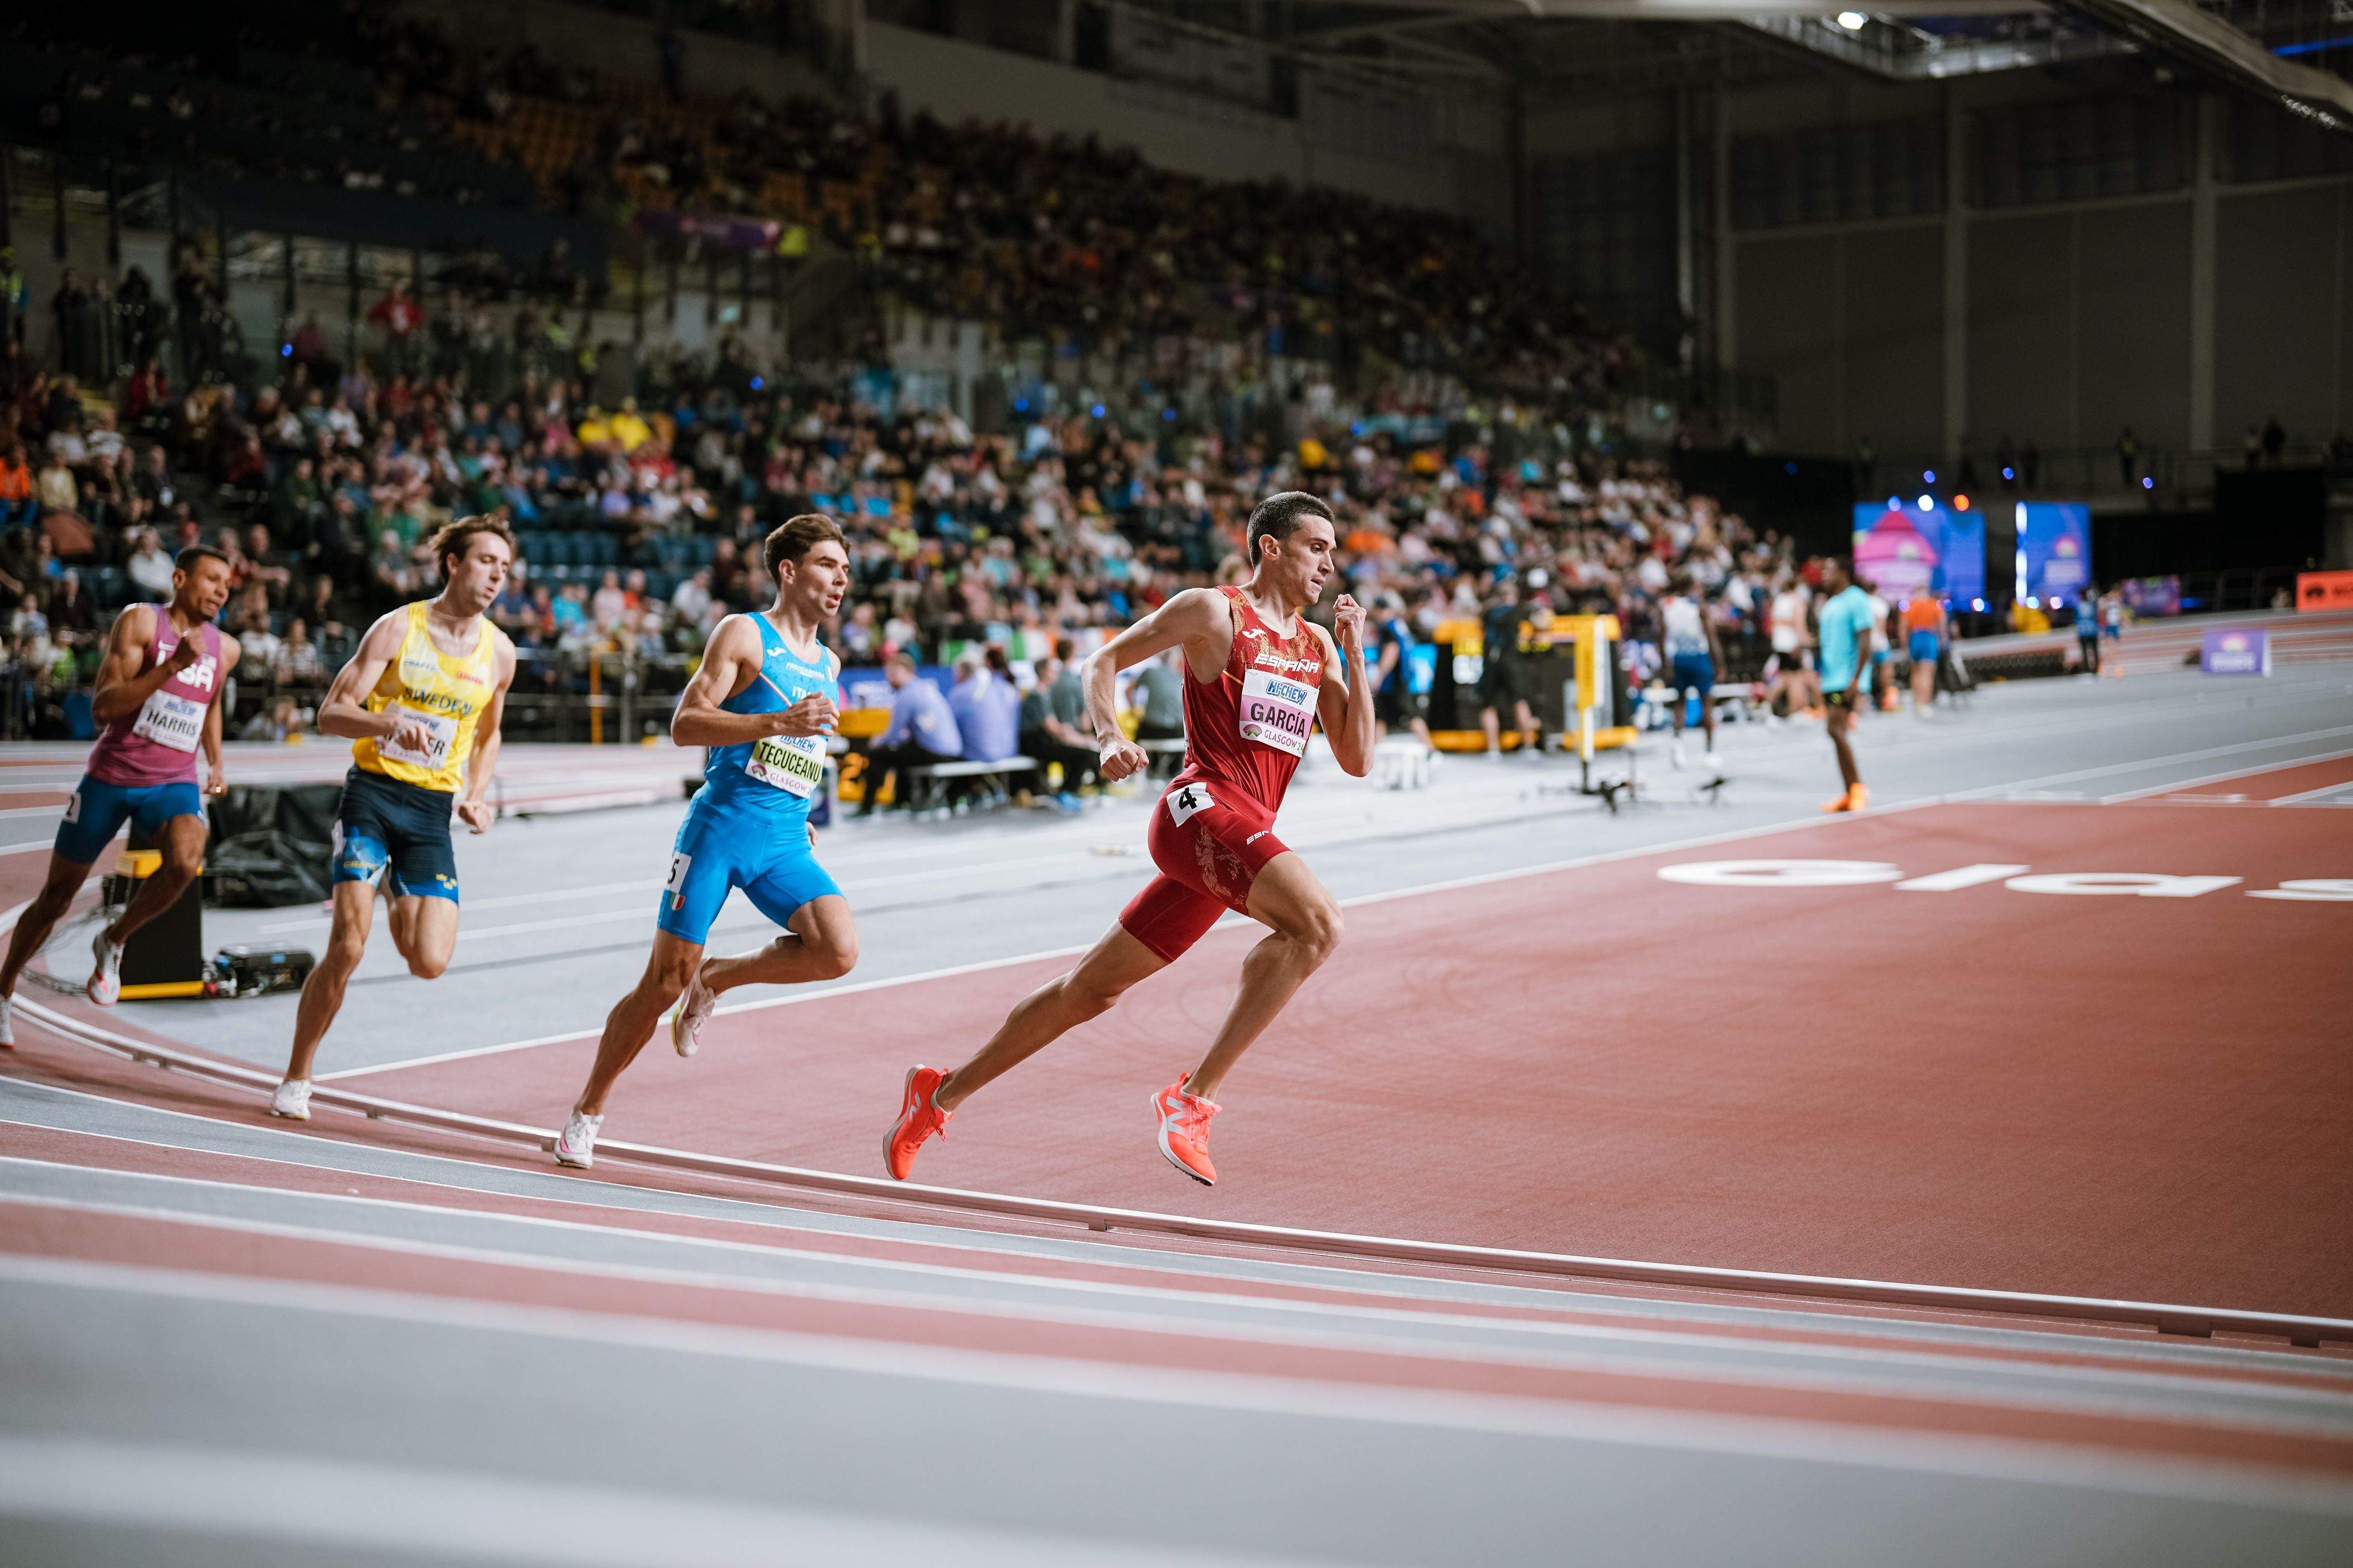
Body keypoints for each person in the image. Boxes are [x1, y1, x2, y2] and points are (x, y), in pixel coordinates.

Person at [884, 492, 1374, 1188]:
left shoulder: (1316, 644)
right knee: (1318, 926)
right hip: (1198, 811)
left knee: (1087, 991)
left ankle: (937, 1096)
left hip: (1236, 837)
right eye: (1316, 546)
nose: (1329, 562)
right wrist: (1110, 735)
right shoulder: (1212, 610)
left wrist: (1353, 655)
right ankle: (1191, 1099)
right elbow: (1100, 664)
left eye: (1331, 550)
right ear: (1271, 547)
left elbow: (1357, 758)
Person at [554, 515, 855, 1168]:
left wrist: (797, 802)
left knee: (837, 950)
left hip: (782, 835)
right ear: (790, 570)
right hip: (718, 828)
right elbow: (685, 725)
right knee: (663, 981)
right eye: (828, 564)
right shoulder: (744, 632)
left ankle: (719, 977)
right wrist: (777, 717)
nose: (841, 579)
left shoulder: (829, 661)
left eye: (845, 569)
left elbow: (798, 750)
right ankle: (588, 1110)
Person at [268, 519, 519, 1119]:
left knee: (428, 960)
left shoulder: (499, 652)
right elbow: (332, 711)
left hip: (431, 812)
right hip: (374, 797)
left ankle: (386, 878)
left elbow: (489, 733)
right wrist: (385, 724)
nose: (495, 577)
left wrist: (477, 795)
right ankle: (298, 1076)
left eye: (504, 569)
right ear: (453, 562)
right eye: (486, 561)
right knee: (349, 944)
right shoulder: (397, 628)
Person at [0, 548, 238, 1042]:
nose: (221, 590)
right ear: (178, 578)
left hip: (173, 780)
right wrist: (171, 666)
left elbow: (210, 703)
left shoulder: (226, 648)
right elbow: (105, 707)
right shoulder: (141, 624)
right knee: (55, 899)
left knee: (186, 860)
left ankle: (113, 939)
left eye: (227, 584)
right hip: (110, 778)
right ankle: (3, 991)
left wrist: (215, 761)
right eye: (211, 579)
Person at [858, 651, 961, 816]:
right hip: (952, 751)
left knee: (878, 754)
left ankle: (866, 807)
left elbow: (892, 734)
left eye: (893, 673)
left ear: (908, 671)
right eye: (888, 674)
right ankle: (901, 801)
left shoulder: (907, 694)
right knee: (902, 752)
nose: (889, 678)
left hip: (936, 752)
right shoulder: (925, 688)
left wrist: (877, 741)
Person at [1815, 556, 1876, 814]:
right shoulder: (1830, 605)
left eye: (1829, 570)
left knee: (1835, 729)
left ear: (1843, 572)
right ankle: (1849, 790)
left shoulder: (1856, 599)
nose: (1824, 575)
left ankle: (1857, 788)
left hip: (1848, 680)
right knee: (1835, 733)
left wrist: (1856, 679)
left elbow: (1865, 641)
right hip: (1831, 679)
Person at [1659, 573, 1723, 772]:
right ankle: (1710, 752)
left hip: (1679, 657)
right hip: (1699, 657)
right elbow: (1710, 636)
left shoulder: (1667, 606)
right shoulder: (1698, 607)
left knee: (1679, 704)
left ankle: (1677, 745)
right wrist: (1719, 663)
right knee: (1707, 704)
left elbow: (1661, 636)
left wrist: (1665, 662)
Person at [1477, 575, 1538, 755]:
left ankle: (1493, 748)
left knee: (1488, 705)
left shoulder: (1489, 612)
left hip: (1490, 661)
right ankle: (1529, 746)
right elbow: (1540, 620)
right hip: (1510, 661)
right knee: (1519, 702)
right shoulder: (1519, 610)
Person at [1369, 593, 1432, 747]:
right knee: (1381, 716)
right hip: (1401, 679)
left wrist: (1380, 676)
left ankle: (1430, 750)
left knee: (1410, 716)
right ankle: (1371, 754)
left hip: (1393, 682)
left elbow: (1392, 651)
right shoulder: (1399, 625)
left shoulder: (1388, 628)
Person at [1903, 590, 1947, 714]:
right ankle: (1924, 704)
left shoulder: (1910, 606)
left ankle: (1917, 703)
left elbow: (1903, 627)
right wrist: (1942, 640)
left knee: (1915, 672)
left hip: (1915, 638)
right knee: (1927, 674)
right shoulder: (1934, 604)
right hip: (1929, 638)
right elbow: (1942, 624)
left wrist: (1905, 646)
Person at [2074, 586, 2100, 677]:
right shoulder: (2092, 605)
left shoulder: (2078, 606)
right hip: (2093, 630)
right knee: (2095, 651)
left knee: (2085, 652)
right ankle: (2096, 670)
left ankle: (2086, 670)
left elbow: (2077, 619)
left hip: (2083, 631)